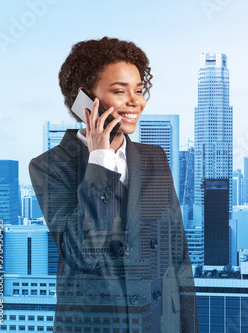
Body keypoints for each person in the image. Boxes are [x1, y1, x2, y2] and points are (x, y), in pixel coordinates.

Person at [29, 37, 199, 333]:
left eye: (139, 91)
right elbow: (83, 253)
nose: (136, 102)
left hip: (159, 320)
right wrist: (100, 161)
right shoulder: (50, 166)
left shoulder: (154, 158)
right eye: (120, 91)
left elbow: (178, 257)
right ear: (85, 100)